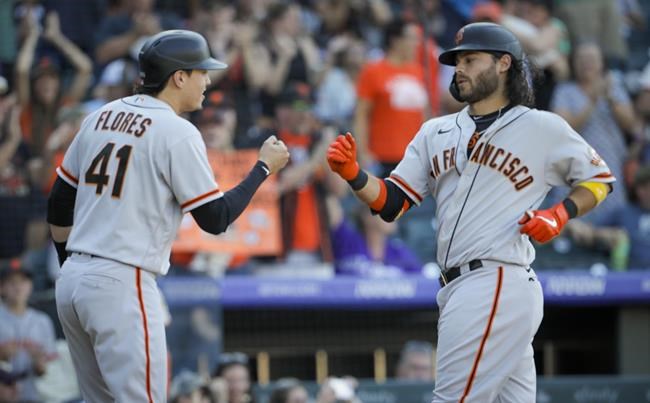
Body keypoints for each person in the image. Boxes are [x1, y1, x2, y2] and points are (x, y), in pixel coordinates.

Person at [326, 22, 615, 402]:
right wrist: (355, 175)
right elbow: (391, 203)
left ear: (503, 64)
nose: (458, 68)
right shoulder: (436, 131)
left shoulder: (541, 126)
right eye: (456, 60)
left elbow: (600, 180)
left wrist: (560, 214)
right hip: (462, 287)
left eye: (470, 59)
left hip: (494, 280)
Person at [47, 30, 289, 402]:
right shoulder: (177, 131)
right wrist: (262, 168)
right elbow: (215, 218)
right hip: (121, 280)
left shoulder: (100, 116)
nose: (207, 80)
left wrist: (71, 263)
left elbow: (60, 200)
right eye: (201, 72)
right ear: (179, 77)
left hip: (74, 282)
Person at [0, 260, 57, 402]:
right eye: (12, 282)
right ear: (1, 288)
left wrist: (40, 364)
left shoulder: (42, 321)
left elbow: (49, 369)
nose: (18, 287)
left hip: (34, 392)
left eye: (23, 282)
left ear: (30, 286)